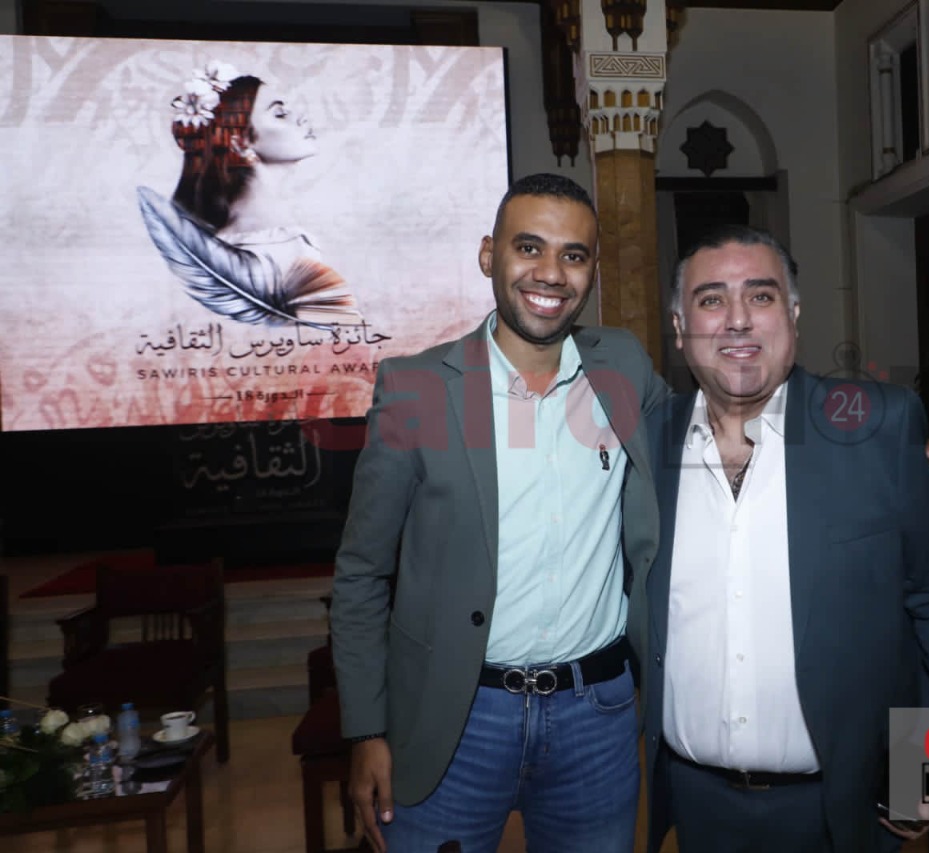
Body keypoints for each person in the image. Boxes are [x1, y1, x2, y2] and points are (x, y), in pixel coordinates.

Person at [328, 173, 668, 853]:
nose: (551, 273)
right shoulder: (416, 389)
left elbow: (705, 436)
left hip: (596, 716)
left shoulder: (623, 368)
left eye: (573, 255)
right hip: (456, 717)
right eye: (529, 247)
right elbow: (361, 573)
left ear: (593, 270)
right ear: (489, 255)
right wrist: (366, 729)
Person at [640, 224, 929, 852]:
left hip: (845, 809)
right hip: (698, 806)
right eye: (711, 299)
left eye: (761, 295)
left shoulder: (878, 429)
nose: (738, 320)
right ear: (679, 326)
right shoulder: (642, 443)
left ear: (795, 314)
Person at [139, 60, 362, 328]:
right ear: (240, 143)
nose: (301, 117)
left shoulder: (232, 241)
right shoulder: (282, 244)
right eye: (279, 114)